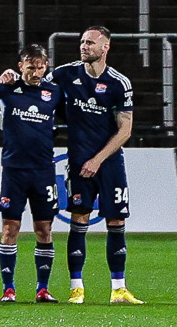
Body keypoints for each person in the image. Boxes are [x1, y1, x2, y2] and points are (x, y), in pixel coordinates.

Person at [49, 25, 140, 305]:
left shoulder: (119, 83)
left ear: (105, 47)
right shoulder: (65, 74)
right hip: (78, 162)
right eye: (82, 41)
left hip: (109, 163)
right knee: (79, 219)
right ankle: (77, 288)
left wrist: (97, 160)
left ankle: (119, 289)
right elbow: (34, 84)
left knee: (116, 220)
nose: (84, 46)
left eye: (90, 42)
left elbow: (125, 130)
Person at [0, 45, 64, 304]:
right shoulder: (7, 88)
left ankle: (43, 288)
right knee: (10, 228)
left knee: (44, 228)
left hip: (43, 170)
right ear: (21, 66)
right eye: (31, 66)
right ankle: (9, 288)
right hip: (14, 170)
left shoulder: (53, 92)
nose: (36, 72)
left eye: (41, 67)